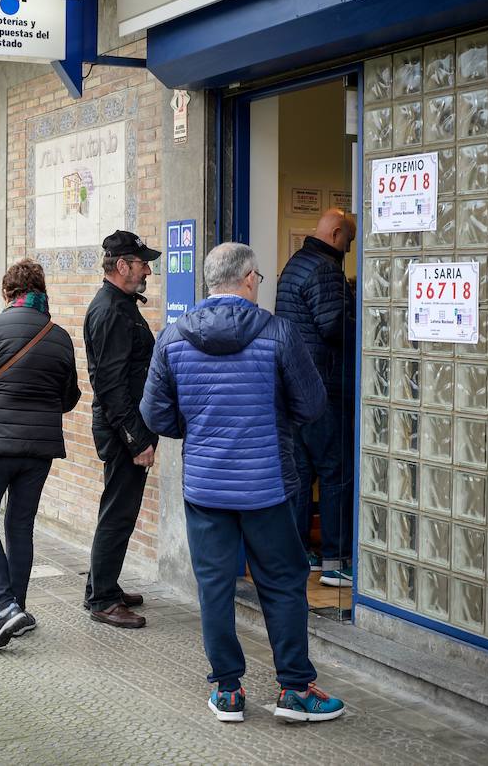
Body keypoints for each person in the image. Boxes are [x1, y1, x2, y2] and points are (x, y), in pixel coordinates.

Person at [140, 242, 346, 724]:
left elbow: (155, 415)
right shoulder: (278, 333)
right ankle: (295, 689)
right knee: (282, 584)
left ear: (210, 283)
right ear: (249, 279)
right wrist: (279, 424)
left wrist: (198, 429)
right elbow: (311, 405)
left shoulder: (172, 337)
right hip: (268, 485)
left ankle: (228, 691)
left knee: (214, 587)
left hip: (206, 487)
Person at [0, 259, 80, 651]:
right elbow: (69, 399)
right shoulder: (59, 336)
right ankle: (17, 607)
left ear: (8, 293)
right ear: (41, 291)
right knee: (20, 526)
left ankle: (5, 607)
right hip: (38, 450)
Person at [275, 206, 357, 587]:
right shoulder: (325, 269)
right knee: (336, 473)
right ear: (337, 233)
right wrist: (361, 313)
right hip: (324, 388)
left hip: (296, 387)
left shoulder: (296, 264)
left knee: (302, 473)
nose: (350, 248)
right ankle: (337, 560)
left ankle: (299, 552)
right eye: (350, 241)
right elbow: (335, 326)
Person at [82, 230, 160, 629]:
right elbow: (110, 385)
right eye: (143, 262)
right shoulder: (112, 310)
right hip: (121, 430)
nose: (149, 269)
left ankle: (101, 583)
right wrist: (137, 438)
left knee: (115, 508)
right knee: (119, 512)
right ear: (123, 265)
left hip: (121, 425)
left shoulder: (119, 304)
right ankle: (103, 599)